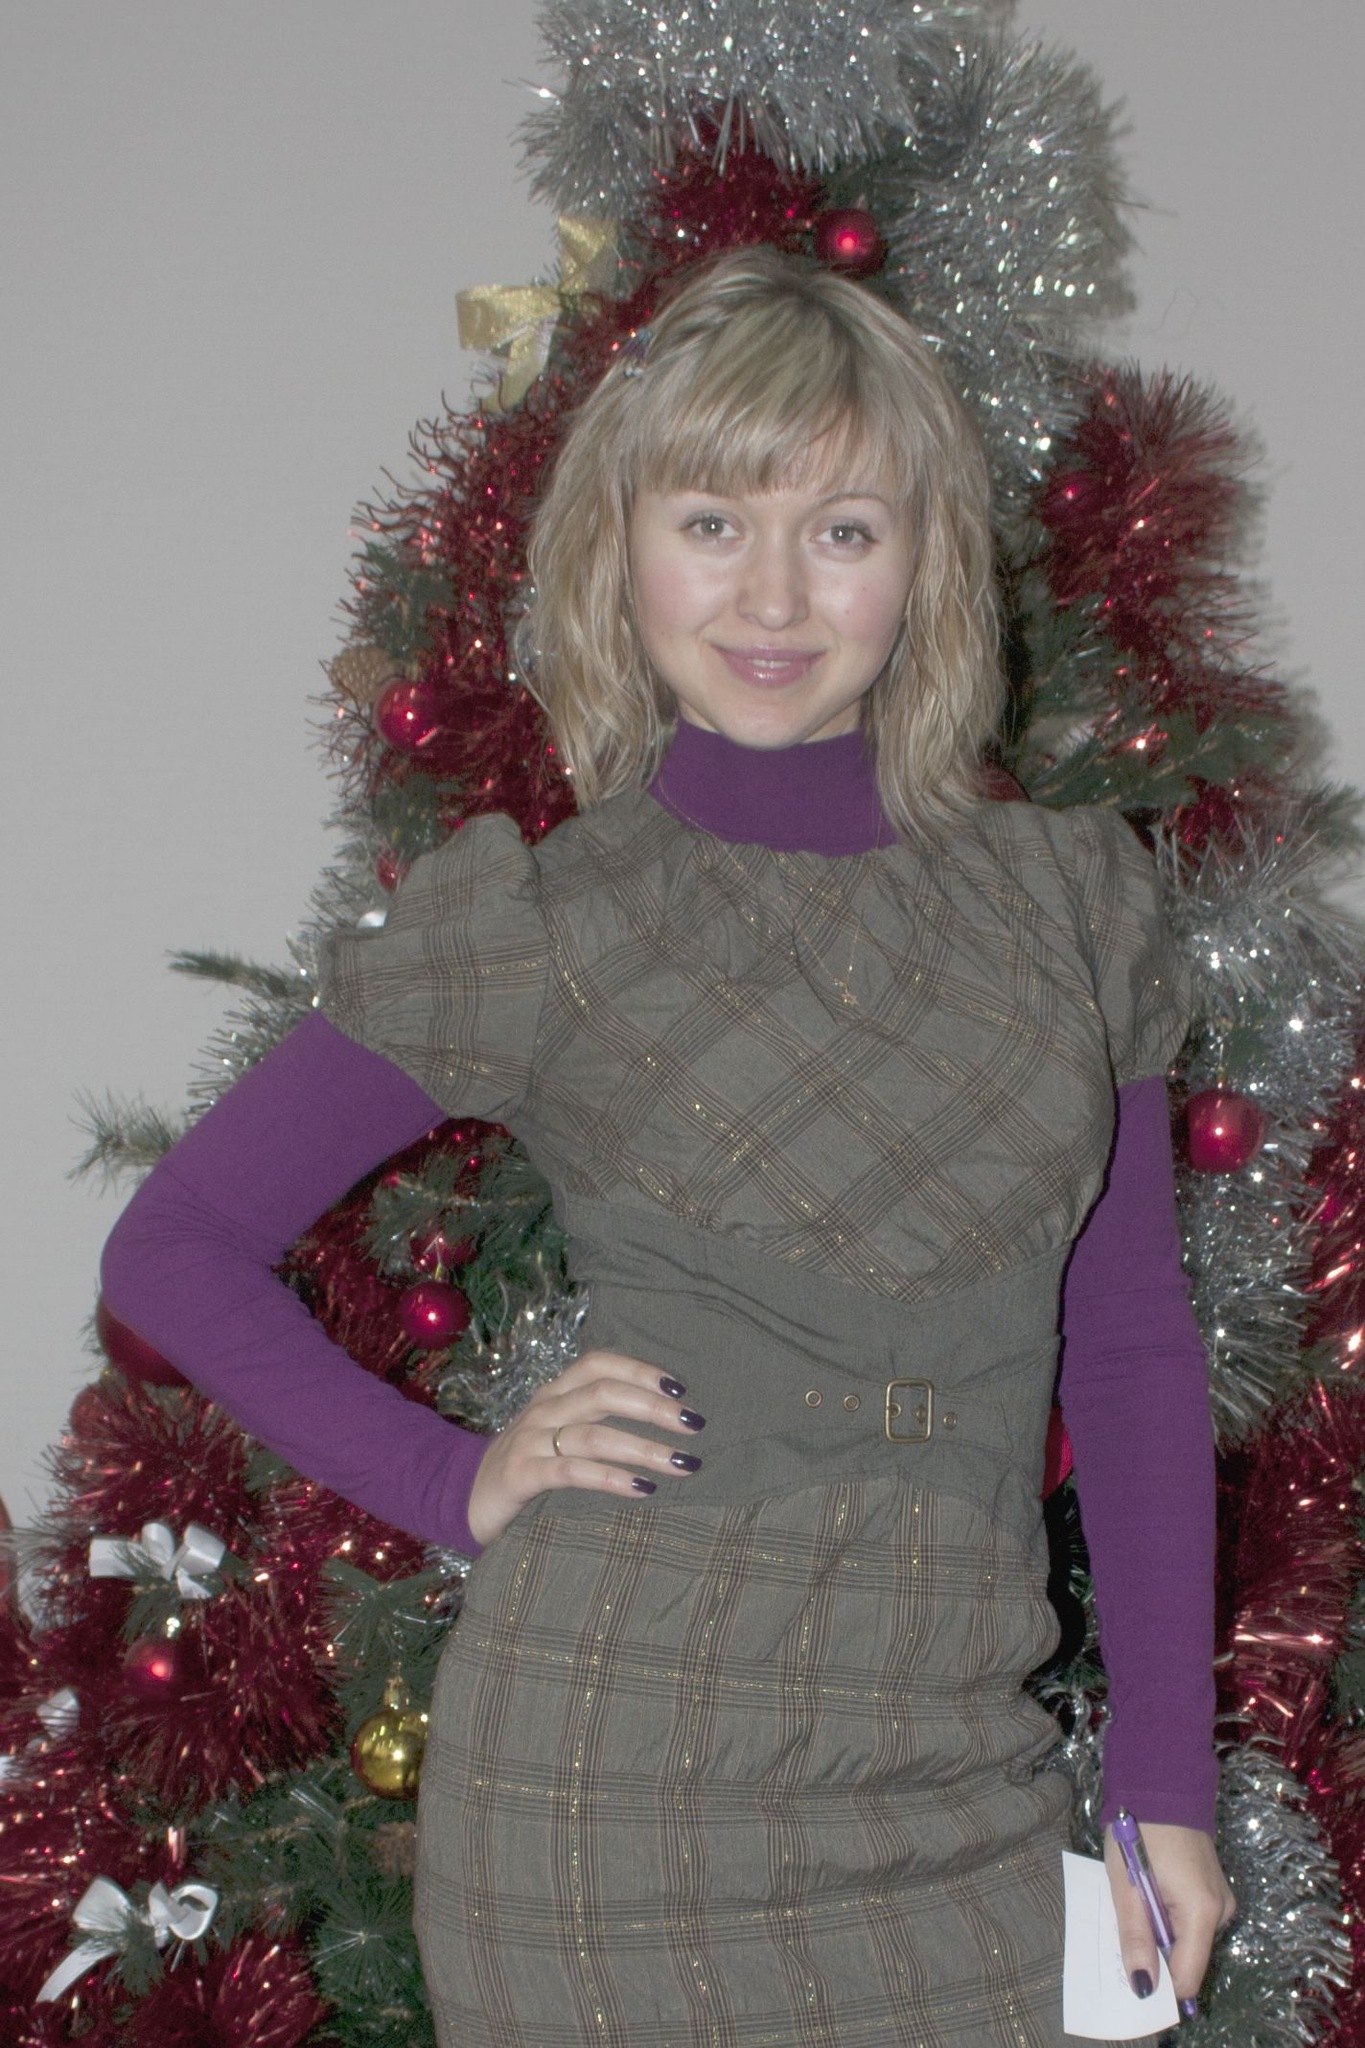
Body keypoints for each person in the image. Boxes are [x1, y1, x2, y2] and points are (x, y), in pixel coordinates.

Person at [101, 248, 1235, 2045]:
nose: (773, 593)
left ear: (925, 559)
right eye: (712, 522)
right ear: (619, 550)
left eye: (841, 530)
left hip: (957, 1782)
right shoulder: (545, 921)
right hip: (606, 1802)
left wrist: (1163, 1777)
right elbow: (172, 1248)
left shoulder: (1075, 905)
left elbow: (1132, 1349)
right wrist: (453, 1483)